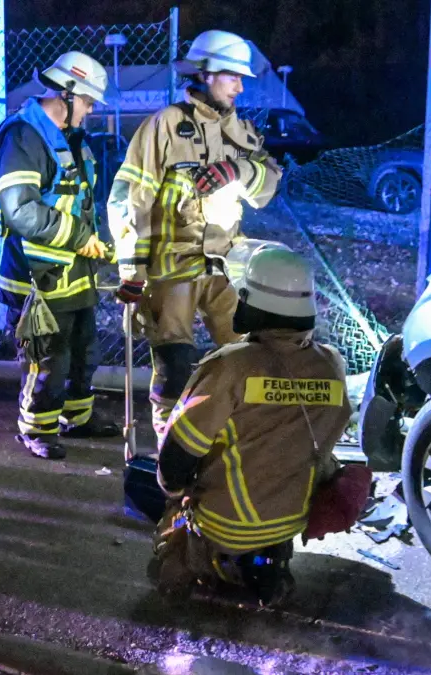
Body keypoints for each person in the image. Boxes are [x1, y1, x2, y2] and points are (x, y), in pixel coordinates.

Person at [149, 247, 351, 607]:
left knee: (162, 511)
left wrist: (176, 493)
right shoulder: (331, 364)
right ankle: (267, 563)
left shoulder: (230, 367)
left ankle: (206, 562)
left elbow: (175, 461)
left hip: (228, 524)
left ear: (249, 301)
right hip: (292, 519)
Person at [107, 30, 282, 446]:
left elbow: (269, 181)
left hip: (227, 268)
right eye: (232, 76)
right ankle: (172, 454)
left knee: (246, 355)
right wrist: (132, 269)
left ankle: (242, 441)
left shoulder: (243, 131)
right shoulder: (164, 126)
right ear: (204, 74)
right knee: (173, 364)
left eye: (242, 78)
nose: (240, 86)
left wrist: (239, 171)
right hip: (172, 270)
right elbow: (128, 197)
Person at [0, 51, 121, 460]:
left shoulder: (71, 138)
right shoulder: (23, 136)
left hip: (74, 273)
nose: (89, 111)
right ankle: (37, 427)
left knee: (84, 350)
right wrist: (81, 237)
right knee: (48, 357)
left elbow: (77, 200)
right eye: (86, 102)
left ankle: (76, 417)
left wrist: (95, 243)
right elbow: (20, 208)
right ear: (66, 94)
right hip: (37, 279)